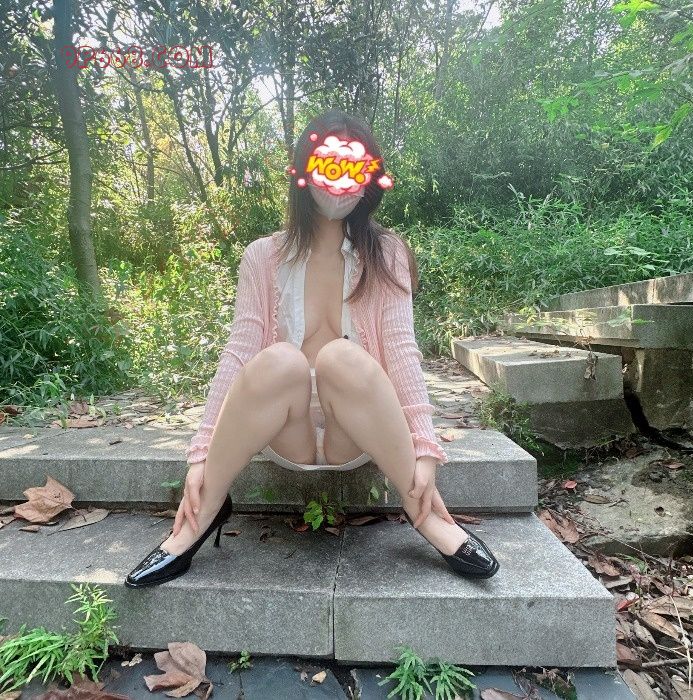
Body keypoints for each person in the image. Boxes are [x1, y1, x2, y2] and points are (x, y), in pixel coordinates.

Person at [124, 109, 498, 588]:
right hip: (288, 429)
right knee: (280, 358)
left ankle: (424, 513)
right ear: (304, 171)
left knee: (340, 356)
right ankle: (204, 513)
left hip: (356, 428)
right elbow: (239, 353)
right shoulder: (262, 256)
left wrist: (423, 449)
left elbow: (402, 350)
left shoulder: (387, 255)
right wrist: (201, 453)